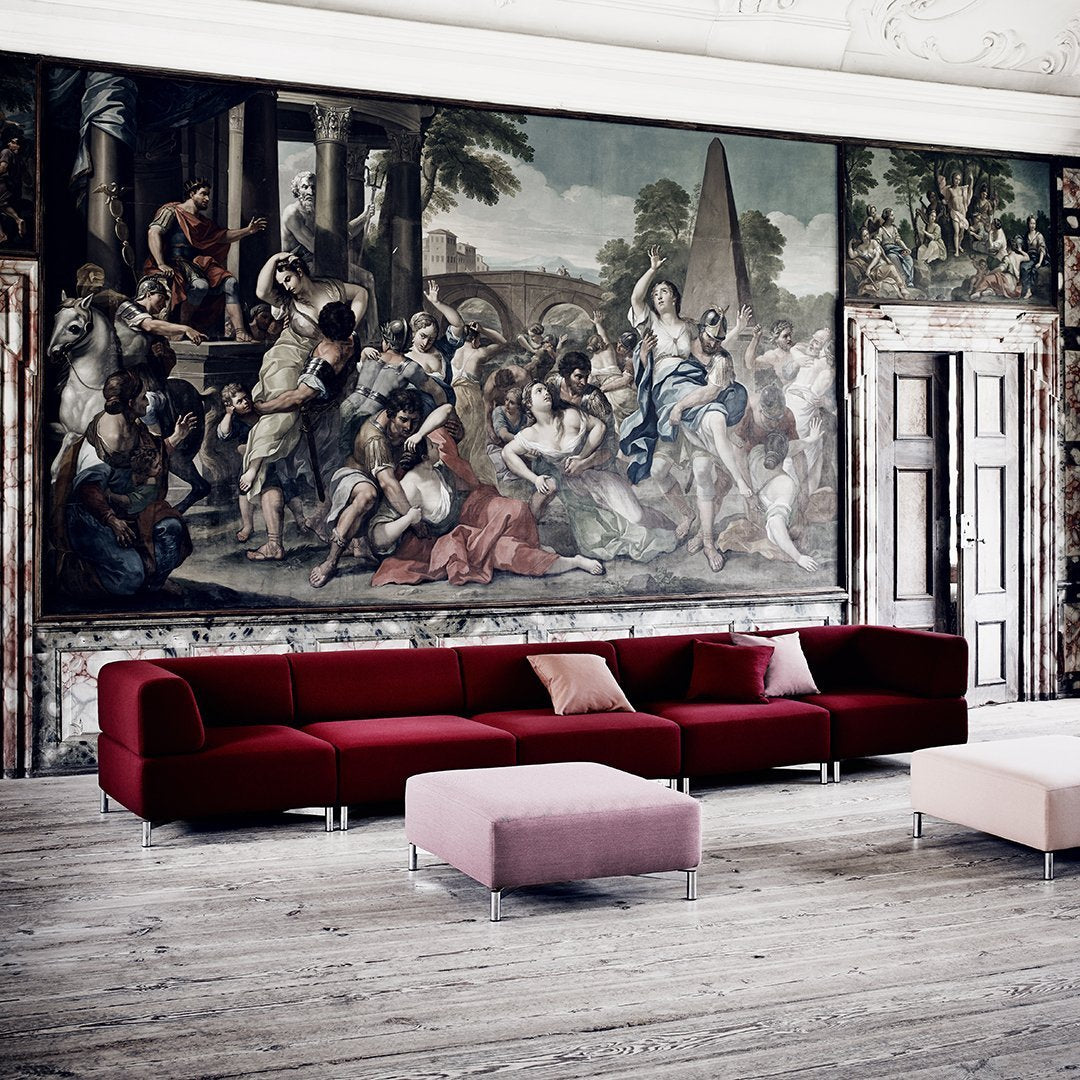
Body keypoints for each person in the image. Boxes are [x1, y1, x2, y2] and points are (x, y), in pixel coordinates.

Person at [620, 246, 753, 546]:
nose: (658, 296)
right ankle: (686, 514)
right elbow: (636, 299)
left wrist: (735, 330)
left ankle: (708, 531)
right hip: (663, 394)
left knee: (702, 463)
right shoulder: (650, 323)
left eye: (664, 291)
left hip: (689, 386)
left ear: (675, 298)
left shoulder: (690, 327)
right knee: (658, 471)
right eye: (656, 293)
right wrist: (652, 269)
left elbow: (712, 345)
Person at [368, 424, 605, 586]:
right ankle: (572, 562)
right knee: (510, 552)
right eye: (432, 446)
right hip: (455, 539)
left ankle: (533, 544)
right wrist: (409, 519)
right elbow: (378, 537)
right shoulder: (409, 486)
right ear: (423, 456)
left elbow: (445, 411)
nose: (438, 447)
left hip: (467, 515)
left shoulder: (437, 468)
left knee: (515, 508)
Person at [239, 251, 368, 520]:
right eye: (281, 282)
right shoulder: (288, 300)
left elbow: (362, 293)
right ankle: (255, 463)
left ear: (300, 271)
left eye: (287, 279)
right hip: (289, 355)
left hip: (319, 356)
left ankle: (270, 460)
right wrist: (275, 257)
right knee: (284, 413)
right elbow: (262, 291)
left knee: (299, 407)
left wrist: (351, 324)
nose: (285, 286)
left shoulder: (332, 288)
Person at [52, 369, 196, 597]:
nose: (146, 402)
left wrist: (176, 437)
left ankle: (155, 583)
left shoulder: (132, 425)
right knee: (130, 578)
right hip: (94, 518)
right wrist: (112, 521)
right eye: (142, 398)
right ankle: (79, 574)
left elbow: (149, 459)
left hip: (129, 511)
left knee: (172, 530)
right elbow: (88, 490)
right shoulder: (112, 439)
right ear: (130, 403)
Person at [504, 381, 677, 564]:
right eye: (539, 391)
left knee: (637, 517)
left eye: (546, 389)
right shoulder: (530, 434)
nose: (545, 392)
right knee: (594, 543)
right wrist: (535, 478)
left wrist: (582, 458)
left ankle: (669, 526)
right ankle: (529, 539)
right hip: (573, 489)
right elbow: (507, 453)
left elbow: (599, 426)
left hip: (596, 474)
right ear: (528, 403)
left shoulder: (569, 415)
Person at [312, 388, 445, 588]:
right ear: (391, 415)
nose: (409, 426)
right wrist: (413, 520)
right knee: (367, 495)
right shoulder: (375, 437)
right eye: (403, 420)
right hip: (355, 477)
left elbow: (446, 410)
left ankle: (361, 544)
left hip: (386, 480)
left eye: (414, 421)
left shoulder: (408, 425)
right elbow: (387, 483)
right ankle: (331, 561)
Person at [146, 177, 266, 340]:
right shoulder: (172, 211)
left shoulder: (203, 222)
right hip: (175, 262)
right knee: (200, 286)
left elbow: (222, 236)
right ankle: (183, 327)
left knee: (231, 283)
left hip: (197, 263)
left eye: (208, 194)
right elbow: (154, 232)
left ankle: (240, 331)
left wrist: (247, 231)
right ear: (191, 194)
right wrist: (161, 263)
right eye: (203, 194)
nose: (207, 198)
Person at [449, 321, 507, 486]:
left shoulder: (455, 352)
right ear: (475, 340)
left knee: (458, 437)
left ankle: (458, 477)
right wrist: (483, 329)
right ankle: (472, 478)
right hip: (472, 399)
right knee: (473, 439)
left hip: (455, 398)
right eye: (479, 339)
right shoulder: (479, 353)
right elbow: (503, 342)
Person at [585, 311, 637, 424]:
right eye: (619, 343)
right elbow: (604, 336)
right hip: (623, 393)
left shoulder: (591, 364)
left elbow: (626, 380)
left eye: (623, 346)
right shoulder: (610, 351)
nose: (618, 347)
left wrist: (602, 389)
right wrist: (598, 324)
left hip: (610, 396)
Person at [846, 227, 910, 299]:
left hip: (880, 266)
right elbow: (852, 256)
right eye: (864, 236)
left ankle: (902, 288)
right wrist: (850, 244)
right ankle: (902, 289)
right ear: (861, 238)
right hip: (873, 272)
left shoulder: (873, 242)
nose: (867, 237)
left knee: (891, 268)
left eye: (867, 234)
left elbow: (877, 257)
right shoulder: (860, 248)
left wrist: (869, 268)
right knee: (891, 268)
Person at [937, 168, 974, 257]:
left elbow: (970, 189)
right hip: (954, 212)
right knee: (956, 232)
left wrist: (971, 179)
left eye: (959, 179)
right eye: (956, 179)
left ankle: (959, 245)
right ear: (952, 179)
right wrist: (943, 202)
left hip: (962, 212)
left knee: (962, 232)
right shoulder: (950, 190)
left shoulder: (962, 189)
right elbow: (947, 200)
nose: (957, 181)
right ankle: (957, 251)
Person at [0, 131, 28, 244]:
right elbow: (27, 178)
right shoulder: (20, 159)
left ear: (18, 145)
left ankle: (17, 220)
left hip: (4, 185)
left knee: (2, 205)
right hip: (15, 188)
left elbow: (3, 168)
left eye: (13, 142)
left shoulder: (6, 152)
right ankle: (1, 235)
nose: (9, 144)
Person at [876, 208, 914, 286]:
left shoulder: (894, 228)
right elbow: (877, 242)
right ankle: (902, 279)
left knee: (908, 258)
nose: (894, 217)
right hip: (888, 251)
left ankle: (909, 280)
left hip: (896, 249)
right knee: (893, 257)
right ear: (887, 217)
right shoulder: (881, 229)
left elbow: (898, 240)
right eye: (892, 215)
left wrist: (906, 248)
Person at [1020, 215, 1048, 300]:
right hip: (1028, 256)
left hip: (1036, 258)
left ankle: (1029, 291)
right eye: (1031, 223)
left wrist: (1039, 262)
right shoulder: (1026, 235)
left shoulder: (1039, 235)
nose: (1032, 225)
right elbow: (1024, 247)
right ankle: (1021, 288)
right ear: (1028, 224)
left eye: (1034, 223)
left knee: (1024, 267)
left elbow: (1042, 250)